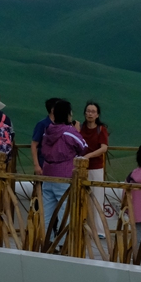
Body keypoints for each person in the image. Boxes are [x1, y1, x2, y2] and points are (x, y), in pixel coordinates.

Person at [40, 99, 88, 234]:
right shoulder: (69, 132)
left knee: (47, 212)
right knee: (65, 211)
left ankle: (47, 239)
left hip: (47, 174)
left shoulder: (47, 130)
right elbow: (83, 147)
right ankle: (62, 241)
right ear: (67, 114)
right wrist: (77, 130)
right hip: (64, 175)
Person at [78, 101, 111, 237]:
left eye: (93, 112)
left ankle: (99, 230)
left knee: (96, 197)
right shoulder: (80, 128)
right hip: (80, 167)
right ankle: (81, 227)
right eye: (88, 111)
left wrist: (88, 156)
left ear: (97, 115)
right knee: (80, 197)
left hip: (95, 167)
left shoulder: (101, 129)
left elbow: (104, 148)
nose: (90, 114)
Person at [30, 98, 62, 199]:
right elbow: (34, 145)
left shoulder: (62, 124)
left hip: (59, 167)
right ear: (52, 110)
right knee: (42, 195)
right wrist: (36, 165)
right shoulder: (42, 124)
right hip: (43, 164)